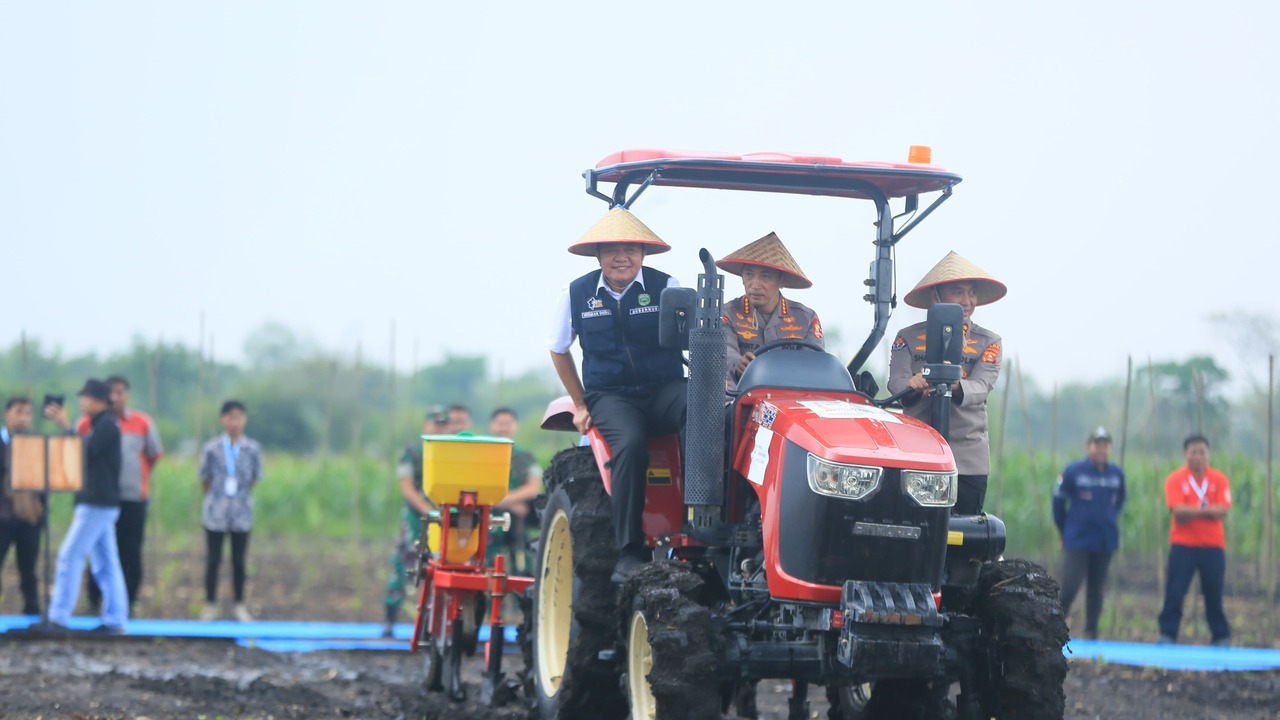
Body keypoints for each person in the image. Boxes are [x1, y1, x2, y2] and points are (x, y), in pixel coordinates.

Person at [548, 207, 686, 583]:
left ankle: (700, 520)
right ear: (598, 255)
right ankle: (629, 548)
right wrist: (579, 404)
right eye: (611, 249)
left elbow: (696, 339)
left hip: (664, 389)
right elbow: (559, 349)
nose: (621, 256)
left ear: (643, 254)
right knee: (630, 445)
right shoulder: (575, 294)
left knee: (705, 417)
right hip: (612, 396)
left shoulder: (667, 286)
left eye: (630, 248)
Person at [887, 251, 1006, 515]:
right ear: (935, 296)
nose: (967, 301)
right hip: (917, 455)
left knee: (965, 539)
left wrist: (954, 384)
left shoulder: (989, 342)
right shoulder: (906, 338)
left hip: (967, 460)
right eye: (958, 292)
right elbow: (896, 382)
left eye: (972, 293)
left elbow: (981, 385)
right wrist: (912, 384)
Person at [42, 379, 128, 633]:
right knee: (106, 562)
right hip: (97, 502)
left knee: (70, 555)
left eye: (86, 397)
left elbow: (84, 453)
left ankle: (58, 617)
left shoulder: (106, 426)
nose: (82, 401)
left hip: (97, 503)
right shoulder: (97, 425)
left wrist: (67, 427)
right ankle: (115, 619)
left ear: (101, 401)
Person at [79, 375, 163, 613]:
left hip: (131, 496)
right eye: (111, 393)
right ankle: (95, 600)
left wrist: (137, 478)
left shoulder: (142, 422)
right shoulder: (87, 423)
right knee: (97, 549)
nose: (115, 397)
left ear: (127, 395)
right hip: (100, 497)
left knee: (130, 550)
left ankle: (129, 601)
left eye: (120, 392)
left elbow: (154, 455)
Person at [717, 232, 823, 391]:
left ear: (782, 281)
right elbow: (724, 357)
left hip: (790, 399)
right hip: (740, 397)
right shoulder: (726, 314)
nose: (755, 285)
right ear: (742, 277)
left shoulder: (806, 319)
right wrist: (738, 366)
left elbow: (815, 366)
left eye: (765, 276)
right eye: (749, 274)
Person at [1157, 434, 1232, 646]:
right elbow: (1177, 511)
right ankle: (1167, 634)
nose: (1198, 456)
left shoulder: (1219, 479)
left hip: (1213, 546)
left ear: (1208, 454)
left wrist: (1193, 511)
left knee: (1214, 594)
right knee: (1175, 592)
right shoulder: (1175, 479)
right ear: (1185, 454)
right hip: (1183, 545)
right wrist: (1208, 511)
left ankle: (1221, 636)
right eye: (1193, 452)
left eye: (1202, 452)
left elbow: (1223, 510)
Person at [1052, 426, 1126, 640]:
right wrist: (1064, 531)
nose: (1101, 449)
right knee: (1070, 586)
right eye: (1097, 444)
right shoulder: (1074, 471)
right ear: (1089, 447)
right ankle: (1054, 628)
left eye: (1105, 445)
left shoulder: (1116, 474)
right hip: (1077, 540)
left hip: (1104, 541)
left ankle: (1091, 631)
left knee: (1097, 590)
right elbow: (1058, 504)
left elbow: (1119, 501)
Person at [381, 407, 448, 636]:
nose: (438, 429)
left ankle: (430, 624)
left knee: (437, 568)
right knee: (402, 566)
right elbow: (407, 488)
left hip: (444, 519)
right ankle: (390, 620)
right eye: (434, 425)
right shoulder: (411, 452)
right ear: (426, 426)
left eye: (442, 425)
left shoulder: (450, 451)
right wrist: (428, 511)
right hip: (415, 519)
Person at [197, 400, 263, 622]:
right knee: (213, 559)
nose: (235, 422)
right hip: (215, 511)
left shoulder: (252, 448)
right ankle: (210, 604)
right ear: (222, 420)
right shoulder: (212, 448)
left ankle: (239, 604)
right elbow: (204, 479)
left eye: (239, 417)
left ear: (245, 420)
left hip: (241, 511)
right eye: (230, 417)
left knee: (239, 560)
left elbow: (254, 478)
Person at [487, 407, 543, 573]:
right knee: (487, 569)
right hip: (488, 521)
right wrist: (508, 503)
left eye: (508, 423)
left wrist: (505, 500)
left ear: (515, 426)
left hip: (518, 523)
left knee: (523, 569)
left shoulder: (526, 457)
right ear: (492, 425)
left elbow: (533, 487)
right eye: (500, 423)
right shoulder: (482, 453)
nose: (504, 427)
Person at [1, 397, 43, 615]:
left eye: (27, 413)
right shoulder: (2, 442)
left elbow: (45, 481)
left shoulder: (36, 444)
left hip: (28, 517)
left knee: (28, 569)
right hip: (3, 517)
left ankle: (32, 611)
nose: (23, 418)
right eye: (18, 412)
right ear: (7, 413)